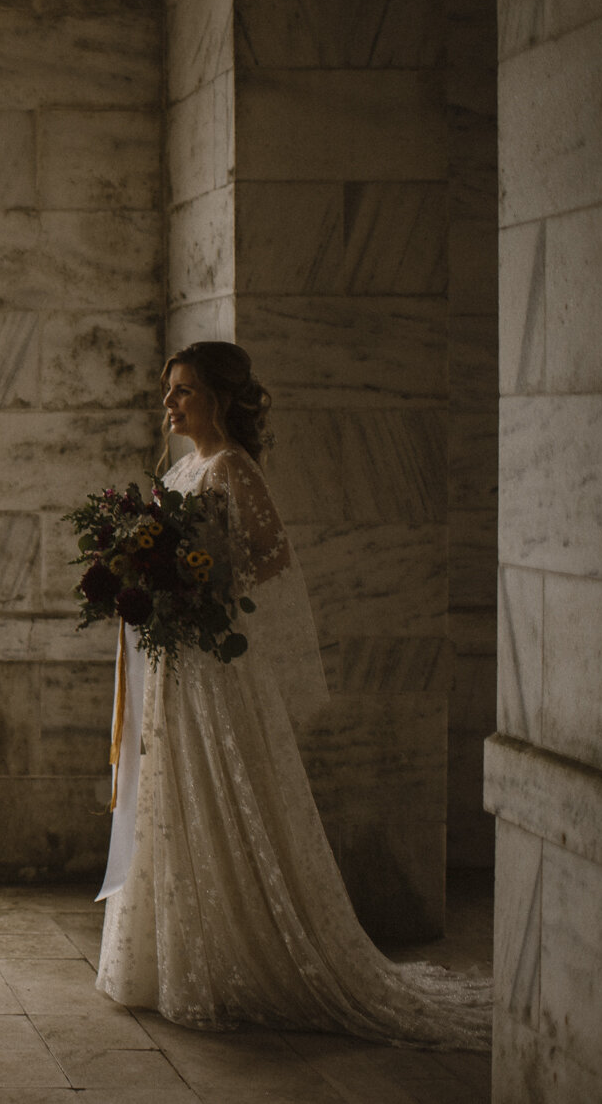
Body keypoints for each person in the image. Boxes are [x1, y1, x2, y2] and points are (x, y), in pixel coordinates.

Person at [95, 340, 488, 1050]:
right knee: (176, 797)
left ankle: (243, 957)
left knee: (226, 795)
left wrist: (201, 586)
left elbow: (272, 556)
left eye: (183, 390)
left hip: (215, 669)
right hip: (179, 670)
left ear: (216, 398)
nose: (170, 402)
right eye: (170, 389)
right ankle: (173, 957)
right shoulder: (183, 467)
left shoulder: (233, 469)